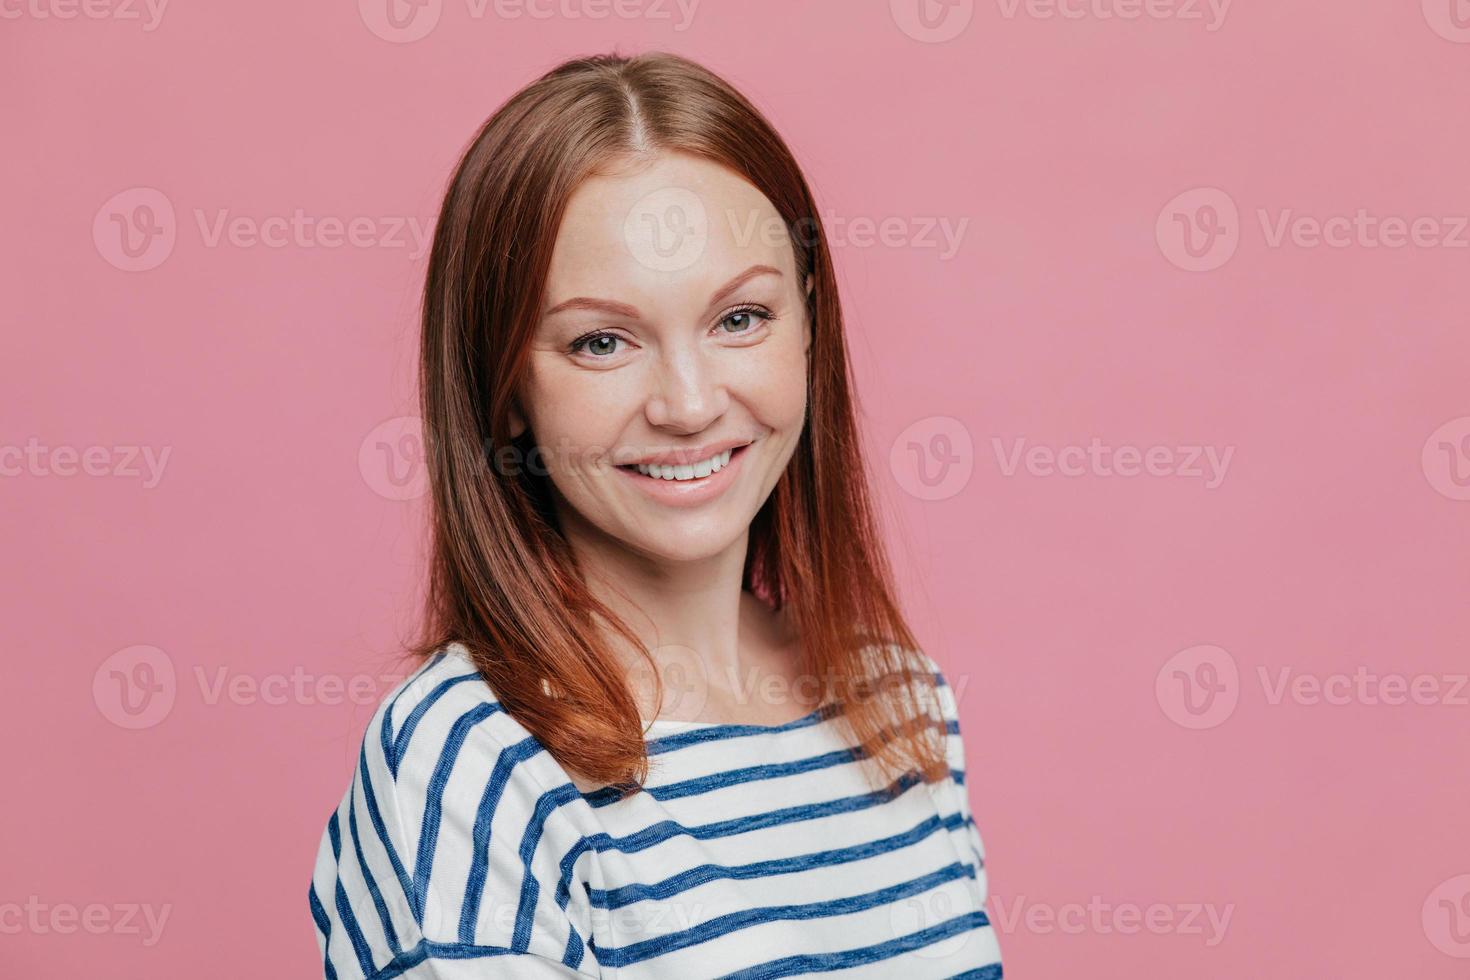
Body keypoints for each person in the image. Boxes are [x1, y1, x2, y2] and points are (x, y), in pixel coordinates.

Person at [308, 50, 1003, 978]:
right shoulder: (473, 757)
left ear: (809, 326)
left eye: (741, 319)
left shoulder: (902, 703)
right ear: (507, 388)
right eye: (602, 341)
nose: (686, 403)